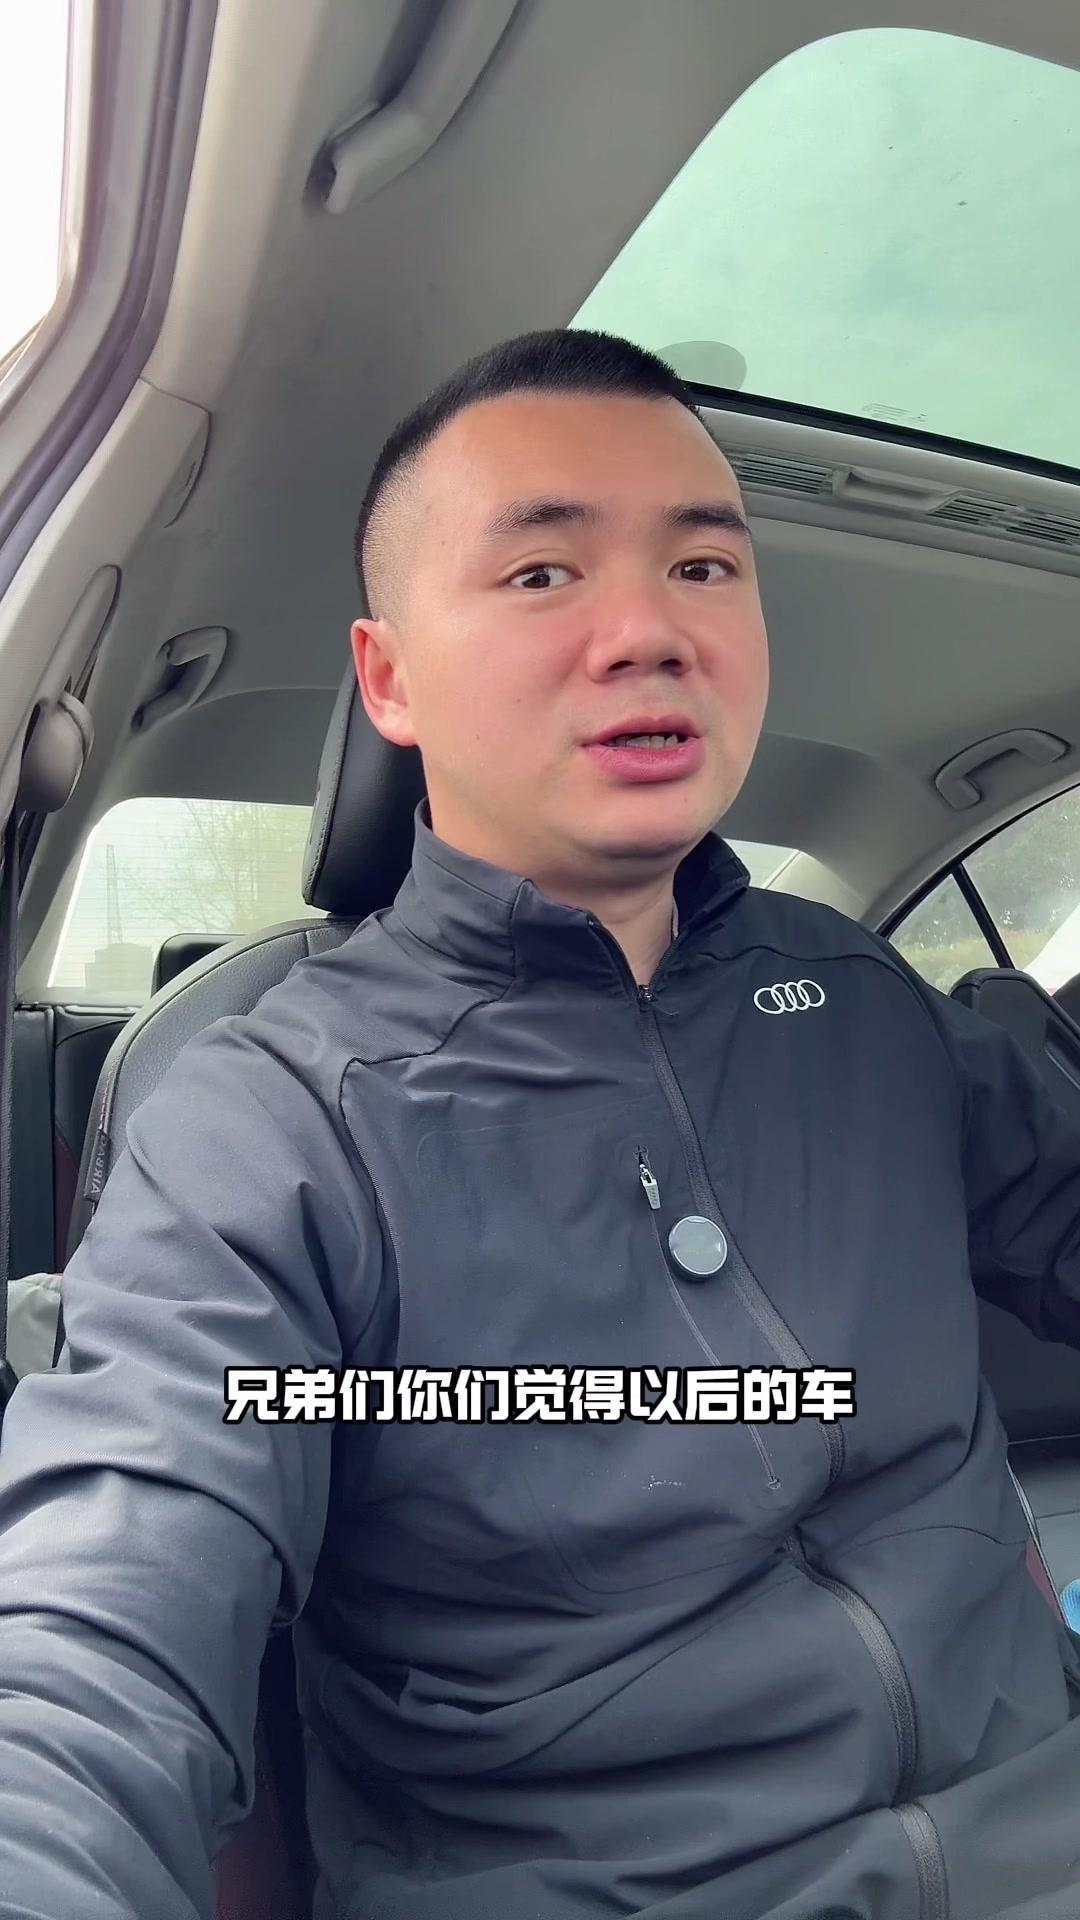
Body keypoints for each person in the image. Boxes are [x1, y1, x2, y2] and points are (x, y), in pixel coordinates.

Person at [1, 328, 1079, 1920]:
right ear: (388, 677)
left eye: (704, 567)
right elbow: (99, 1626)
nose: (649, 630)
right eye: (541, 574)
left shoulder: (862, 1002)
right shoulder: (272, 1119)